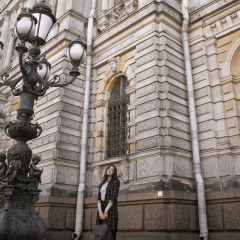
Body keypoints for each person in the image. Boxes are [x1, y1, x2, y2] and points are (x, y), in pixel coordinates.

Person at [96, 165, 120, 240]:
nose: (109, 170)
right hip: (101, 206)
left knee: (110, 231)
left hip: (110, 207)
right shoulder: (102, 183)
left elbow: (114, 197)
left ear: (114, 173)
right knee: (100, 231)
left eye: (112, 170)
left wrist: (106, 211)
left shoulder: (116, 182)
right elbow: (98, 198)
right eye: (108, 169)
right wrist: (100, 211)